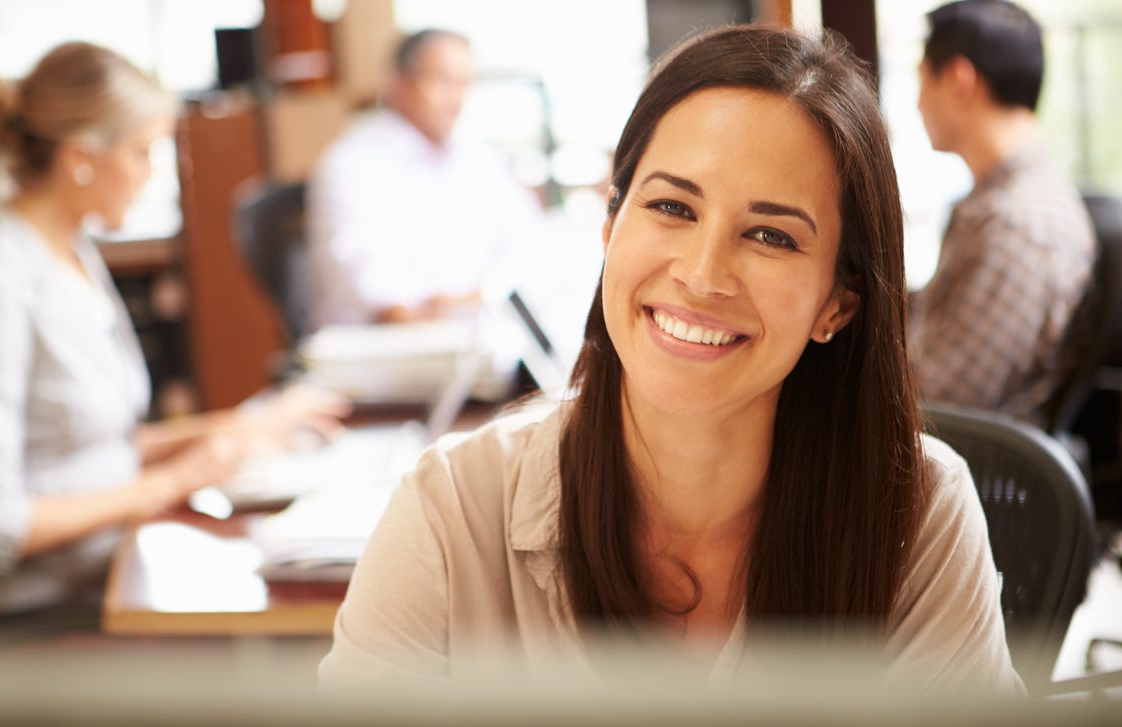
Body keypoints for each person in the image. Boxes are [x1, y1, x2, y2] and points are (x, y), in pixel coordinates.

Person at [316, 25, 1022, 693]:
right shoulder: (450, 512)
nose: (703, 274)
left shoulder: (916, 513)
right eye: (673, 209)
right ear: (609, 224)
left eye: (772, 236)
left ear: (837, 303)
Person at [0, 42, 348, 616]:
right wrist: (177, 478)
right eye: (143, 153)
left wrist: (245, 425)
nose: (151, 176)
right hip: (44, 615)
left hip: (113, 567)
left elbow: (96, 450)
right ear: (81, 157)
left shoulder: (68, 252)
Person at [909, 0, 1096, 426]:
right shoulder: (998, 203)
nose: (918, 104)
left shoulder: (1016, 226)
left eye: (921, 82)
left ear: (958, 81)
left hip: (970, 472)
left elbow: (935, 398)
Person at [306, 28, 540, 327]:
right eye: (442, 80)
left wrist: (482, 294)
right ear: (399, 83)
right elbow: (373, 290)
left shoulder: (477, 155)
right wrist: (440, 307)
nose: (455, 98)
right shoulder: (351, 164)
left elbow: (526, 242)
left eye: (464, 83)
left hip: (468, 335)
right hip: (383, 352)